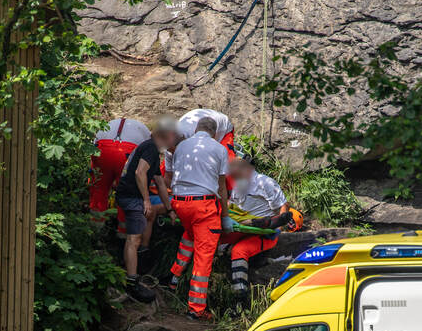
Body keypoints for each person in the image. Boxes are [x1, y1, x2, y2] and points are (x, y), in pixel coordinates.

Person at [167, 116, 234, 320]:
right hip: (202, 205)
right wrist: (225, 216)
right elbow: (221, 186)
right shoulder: (219, 149)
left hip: (179, 203)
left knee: (190, 234)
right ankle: (196, 309)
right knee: (204, 255)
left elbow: (170, 175)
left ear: (197, 129)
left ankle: (173, 277)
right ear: (214, 133)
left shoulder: (181, 146)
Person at [115, 117, 180, 303]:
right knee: (133, 238)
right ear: (167, 135)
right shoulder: (151, 147)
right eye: (173, 137)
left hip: (131, 196)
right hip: (131, 196)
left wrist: (169, 210)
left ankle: (138, 262)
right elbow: (139, 172)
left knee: (142, 226)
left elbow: (159, 182)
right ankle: (132, 282)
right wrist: (145, 200)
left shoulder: (151, 148)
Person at [222, 157, 298, 310]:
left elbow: (283, 206)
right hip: (242, 227)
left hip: (263, 233)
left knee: (239, 251)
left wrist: (279, 227)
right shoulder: (237, 185)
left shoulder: (265, 183)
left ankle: (240, 297)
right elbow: (232, 205)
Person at [89, 118, 151, 218]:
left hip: (101, 150)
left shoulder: (109, 123)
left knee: (99, 190)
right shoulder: (145, 132)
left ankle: (95, 227)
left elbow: (92, 155)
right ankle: (124, 231)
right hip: (127, 152)